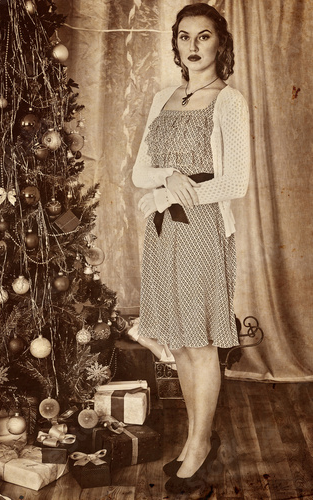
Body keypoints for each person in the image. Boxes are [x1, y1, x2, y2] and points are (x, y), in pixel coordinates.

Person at [129, 3, 250, 495]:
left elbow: (236, 181)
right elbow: (139, 172)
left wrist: (169, 192)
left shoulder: (229, 101)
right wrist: (166, 180)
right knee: (179, 341)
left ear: (220, 44)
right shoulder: (162, 98)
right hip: (162, 232)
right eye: (185, 37)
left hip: (201, 228)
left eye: (204, 37)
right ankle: (196, 439)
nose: (194, 46)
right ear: (176, 44)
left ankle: (199, 445)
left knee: (200, 344)